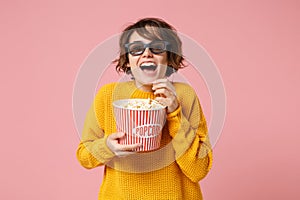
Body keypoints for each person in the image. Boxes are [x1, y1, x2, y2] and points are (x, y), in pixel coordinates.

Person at [76, 17, 213, 199]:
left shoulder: (185, 95)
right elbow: (84, 156)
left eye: (157, 48)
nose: (147, 54)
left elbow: (199, 170)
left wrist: (174, 112)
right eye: (136, 49)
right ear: (127, 61)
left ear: (169, 58)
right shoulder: (107, 95)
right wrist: (107, 147)